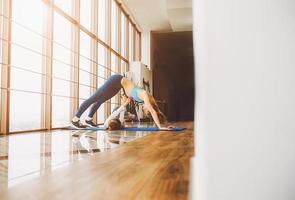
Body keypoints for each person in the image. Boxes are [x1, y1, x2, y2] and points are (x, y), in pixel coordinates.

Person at [71, 74, 170, 130]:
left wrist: (164, 124)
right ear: (149, 106)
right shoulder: (144, 95)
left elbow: (156, 110)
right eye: (146, 110)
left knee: (102, 100)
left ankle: (88, 119)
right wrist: (160, 127)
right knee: (94, 98)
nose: (144, 110)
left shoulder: (149, 99)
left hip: (118, 86)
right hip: (116, 80)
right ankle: (75, 119)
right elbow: (153, 111)